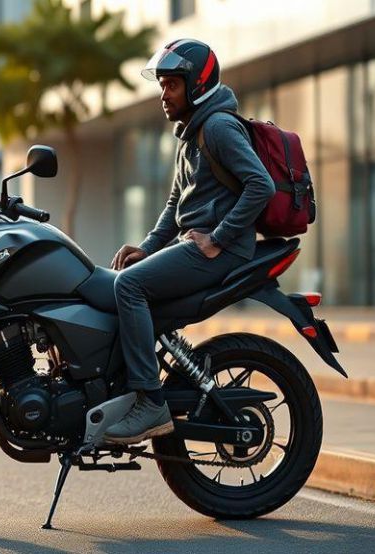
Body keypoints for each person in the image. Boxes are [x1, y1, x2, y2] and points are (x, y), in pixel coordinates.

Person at [103, 39, 275, 444]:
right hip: (194, 246)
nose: (163, 94)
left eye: (171, 86)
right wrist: (146, 248)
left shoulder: (218, 127)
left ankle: (149, 402)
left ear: (197, 85)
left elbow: (260, 185)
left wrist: (218, 238)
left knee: (128, 286)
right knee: (116, 278)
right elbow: (173, 205)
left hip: (220, 252)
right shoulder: (192, 133)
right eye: (161, 85)